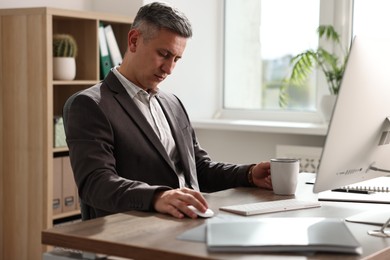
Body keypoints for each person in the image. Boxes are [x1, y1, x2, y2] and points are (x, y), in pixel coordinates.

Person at [64, 1, 273, 220]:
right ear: (134, 41)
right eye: (164, 54)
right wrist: (157, 197)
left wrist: (248, 174)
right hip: (133, 231)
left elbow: (199, 169)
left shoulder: (172, 103)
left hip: (188, 222)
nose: (169, 69)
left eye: (176, 59)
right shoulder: (90, 104)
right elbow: (95, 183)